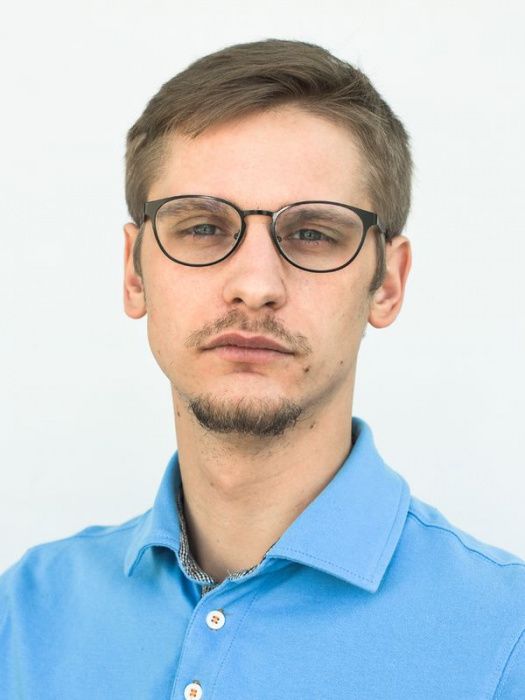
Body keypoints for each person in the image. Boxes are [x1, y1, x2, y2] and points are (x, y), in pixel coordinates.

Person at [1, 38, 524, 699]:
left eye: (312, 233)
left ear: (388, 284)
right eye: (202, 228)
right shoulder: (24, 615)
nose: (254, 285)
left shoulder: (507, 636)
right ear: (134, 274)